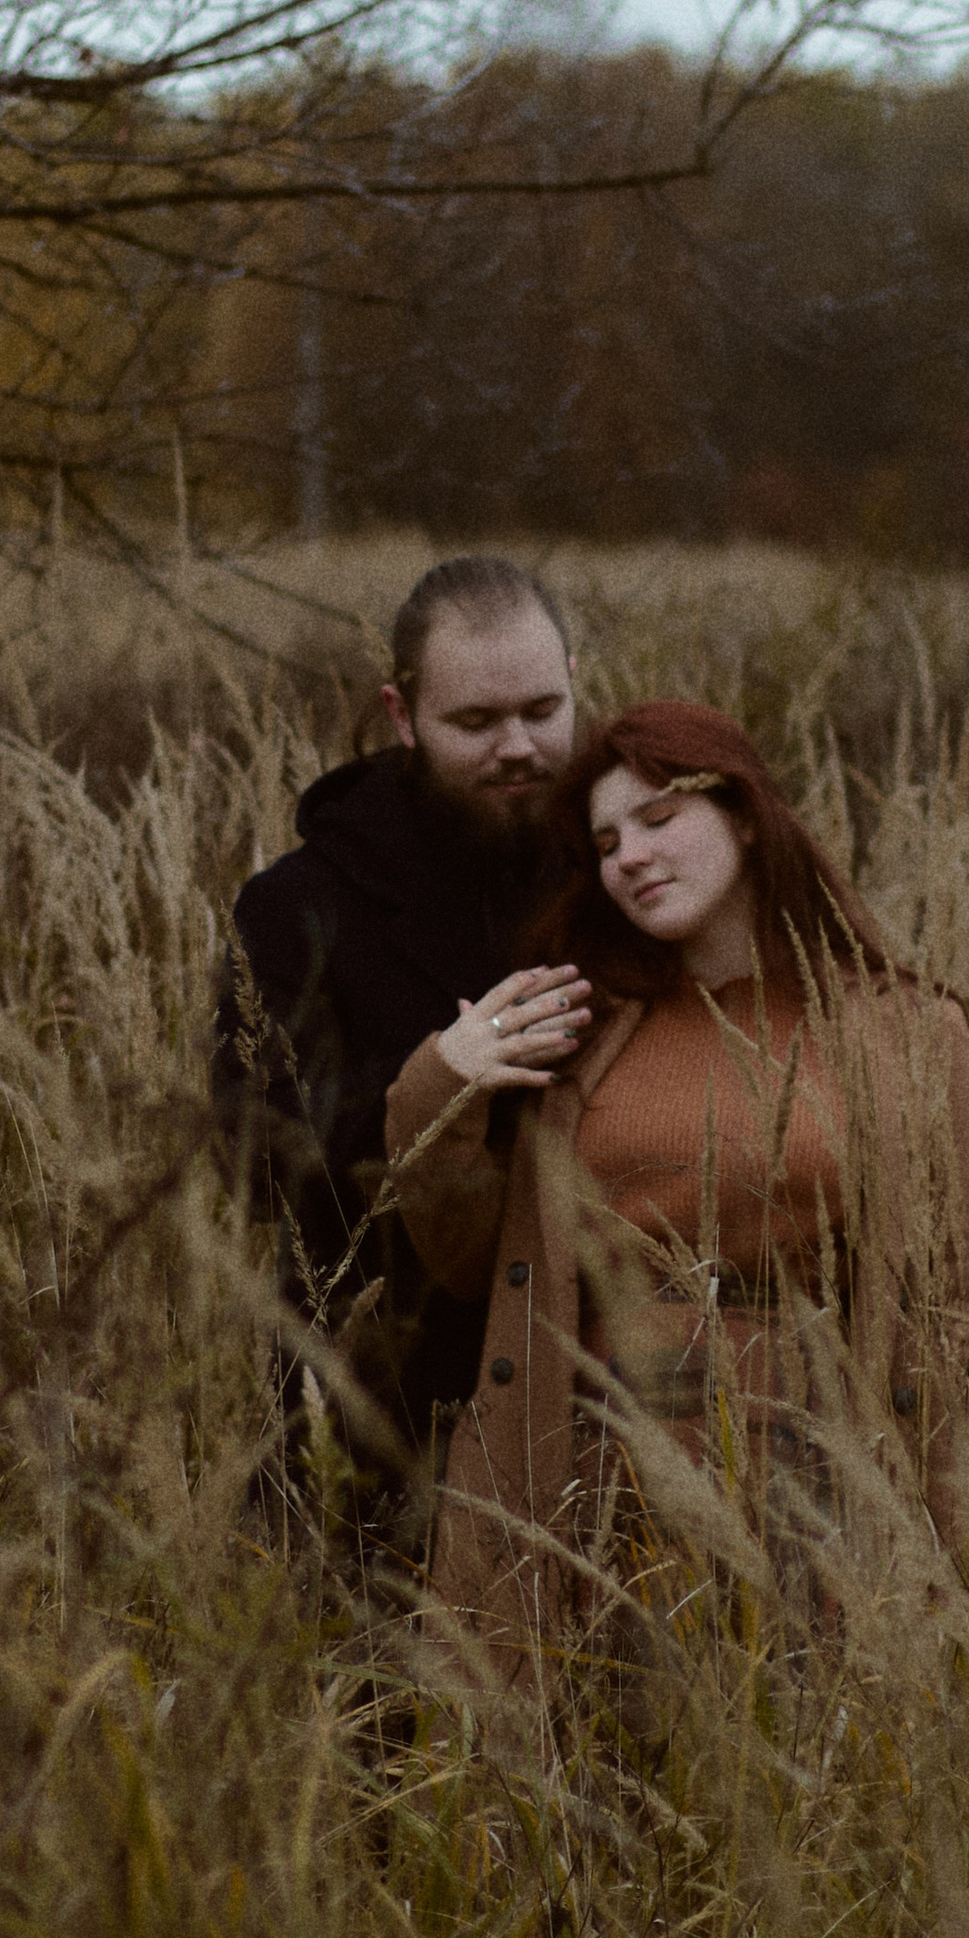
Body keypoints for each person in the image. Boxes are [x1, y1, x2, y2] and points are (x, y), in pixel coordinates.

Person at [381, 697, 969, 1690]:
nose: (628, 854)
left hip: (820, 1478)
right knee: (597, 1797)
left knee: (797, 1800)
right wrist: (441, 1079)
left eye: (657, 817)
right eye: (603, 839)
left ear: (746, 813)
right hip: (593, 1462)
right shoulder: (581, 1030)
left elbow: (964, 1297)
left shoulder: (906, 1030)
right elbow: (468, 1259)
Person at [214, 556, 593, 1545]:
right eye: (476, 722)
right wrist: (438, 1075)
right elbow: (256, 1153)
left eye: (542, 708)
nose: (519, 746)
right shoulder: (298, 905)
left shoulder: (629, 866)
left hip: (600, 1394)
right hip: (373, 1408)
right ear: (401, 713)